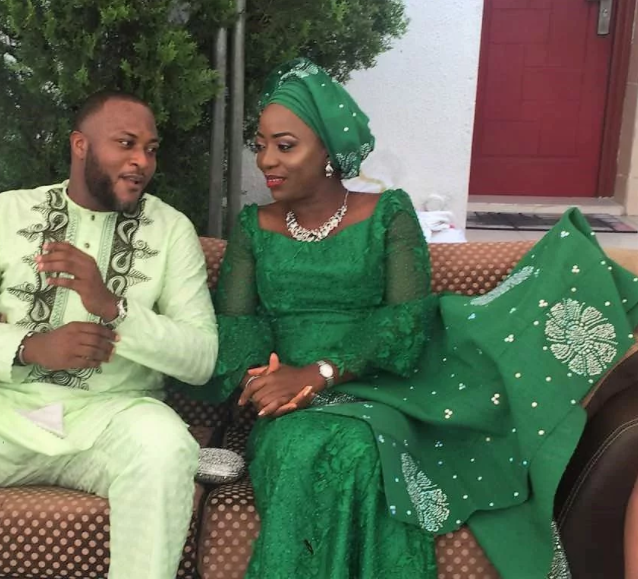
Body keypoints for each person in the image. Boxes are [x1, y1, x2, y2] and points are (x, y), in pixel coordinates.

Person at [205, 58, 638, 578]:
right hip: (288, 408)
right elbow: (237, 328)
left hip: (380, 393)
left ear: (329, 150)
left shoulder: (389, 214)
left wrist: (319, 373)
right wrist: (263, 383)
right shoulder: (254, 226)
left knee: (361, 449)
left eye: (285, 145)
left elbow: (405, 323)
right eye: (261, 145)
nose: (266, 161)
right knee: (301, 449)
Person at [0, 90, 218, 579]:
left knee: (165, 448)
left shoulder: (171, 230)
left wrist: (114, 308)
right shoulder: (8, 212)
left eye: (151, 149)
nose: (142, 161)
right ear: (81, 145)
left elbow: (201, 357)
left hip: (112, 417)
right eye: (126, 144)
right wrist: (28, 347)